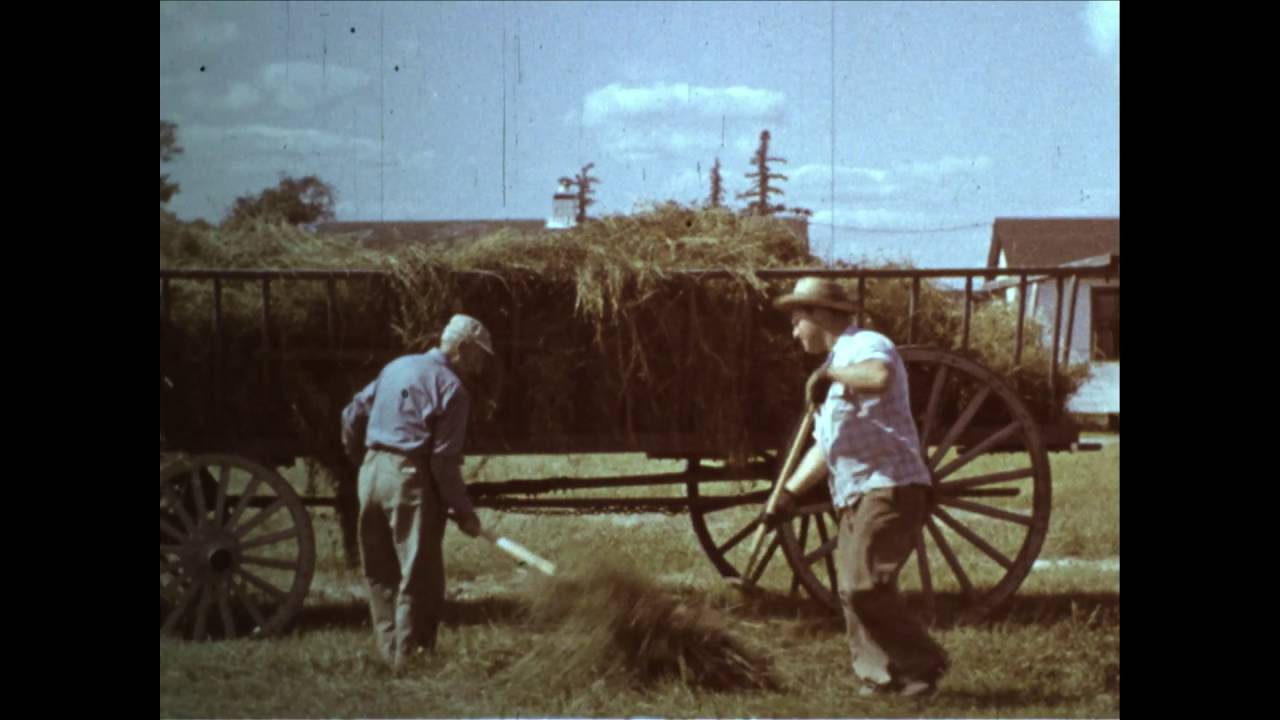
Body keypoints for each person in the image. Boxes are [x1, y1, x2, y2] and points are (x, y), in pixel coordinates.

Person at [770, 277, 948, 698]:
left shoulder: (866, 344)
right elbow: (823, 448)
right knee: (850, 591)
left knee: (865, 586)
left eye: (798, 321)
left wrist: (829, 373)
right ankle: (883, 678)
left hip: (889, 484)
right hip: (852, 492)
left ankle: (923, 662)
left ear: (819, 314)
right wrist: (790, 494)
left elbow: (880, 375)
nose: (795, 333)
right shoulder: (835, 365)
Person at [340, 313, 491, 667]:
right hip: (410, 479)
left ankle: (390, 652)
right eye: (480, 355)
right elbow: (442, 463)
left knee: (380, 570)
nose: (482, 365)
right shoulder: (453, 389)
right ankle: (412, 661)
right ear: (463, 349)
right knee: (419, 573)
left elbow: (351, 414)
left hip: (372, 472)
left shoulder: (396, 367)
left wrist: (362, 460)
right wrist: (465, 512)